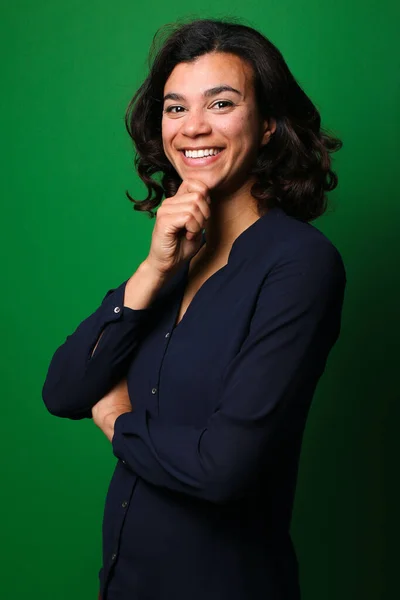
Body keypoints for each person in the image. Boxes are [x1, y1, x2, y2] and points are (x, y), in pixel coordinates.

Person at [42, 17, 346, 600]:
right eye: (175, 108)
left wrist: (114, 421)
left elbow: (222, 468)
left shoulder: (299, 265)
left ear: (269, 125)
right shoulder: (174, 256)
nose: (194, 127)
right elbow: (63, 389)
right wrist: (153, 270)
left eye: (222, 103)